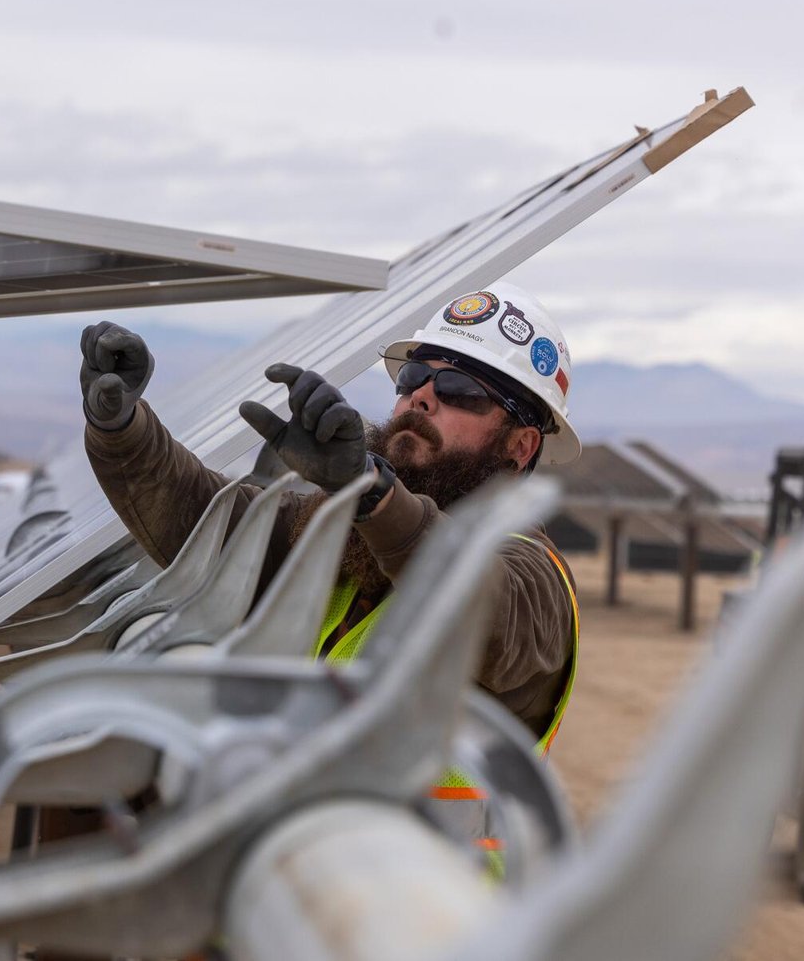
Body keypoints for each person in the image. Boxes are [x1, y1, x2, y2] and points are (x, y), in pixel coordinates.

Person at [79, 282, 578, 745]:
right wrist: (123, 427)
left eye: (461, 391)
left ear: (520, 444)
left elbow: (476, 604)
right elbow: (207, 522)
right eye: (414, 377)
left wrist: (371, 492)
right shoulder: (348, 535)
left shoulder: (535, 582)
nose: (421, 397)